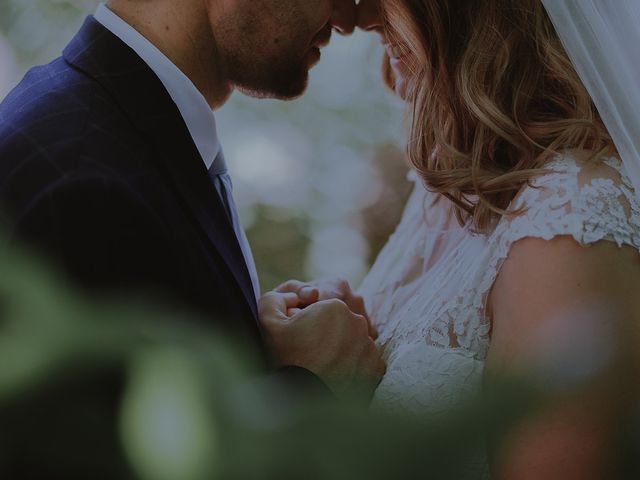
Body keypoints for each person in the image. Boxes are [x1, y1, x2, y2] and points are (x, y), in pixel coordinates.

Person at [275, 0, 640, 477]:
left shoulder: (567, 217)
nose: (361, 20)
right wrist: (330, 340)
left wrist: (325, 406)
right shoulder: (446, 191)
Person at [0, 0, 385, 398]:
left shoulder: (122, 131)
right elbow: (79, 458)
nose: (346, 19)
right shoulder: (78, 188)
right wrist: (313, 385)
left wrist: (253, 343)